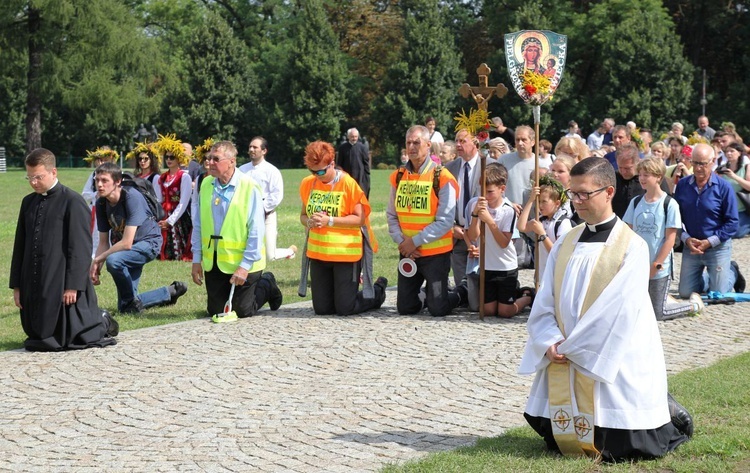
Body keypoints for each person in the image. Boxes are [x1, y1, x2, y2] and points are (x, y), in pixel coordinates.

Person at [519, 157, 692, 462]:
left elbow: (616, 313)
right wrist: (548, 340)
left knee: (622, 446)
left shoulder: (632, 247)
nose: (576, 202)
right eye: (573, 194)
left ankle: (667, 409)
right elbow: (546, 297)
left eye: (584, 194)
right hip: (562, 352)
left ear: (609, 192)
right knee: (559, 437)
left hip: (612, 358)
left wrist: (572, 347)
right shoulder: (565, 242)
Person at [10, 148, 117, 351]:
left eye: (38, 177)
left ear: (53, 172)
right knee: (39, 337)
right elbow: (19, 245)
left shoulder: (72, 201)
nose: (33, 182)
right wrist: (17, 285)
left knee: (74, 337)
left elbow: (80, 247)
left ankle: (102, 320)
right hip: (35, 279)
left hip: (62, 279)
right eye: (29, 177)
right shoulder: (28, 203)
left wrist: (73, 285)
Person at [190, 141, 283, 322]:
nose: (210, 163)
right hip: (217, 262)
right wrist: (196, 259)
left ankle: (267, 283)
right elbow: (199, 223)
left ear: (232, 161)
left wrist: (244, 267)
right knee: (216, 311)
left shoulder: (249, 187)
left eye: (216, 159)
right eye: (209, 158)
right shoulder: (206, 184)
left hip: (244, 263)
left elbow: (256, 230)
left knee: (242, 310)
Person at [298, 141, 387, 315]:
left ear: (332, 164)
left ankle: (378, 291)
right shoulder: (309, 184)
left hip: (346, 256)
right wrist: (309, 222)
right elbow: (303, 215)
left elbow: (360, 219)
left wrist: (329, 220)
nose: (317, 175)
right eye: (312, 171)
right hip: (318, 255)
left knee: (345, 308)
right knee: (322, 309)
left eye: (321, 171)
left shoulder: (348, 184)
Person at [386, 125, 464, 316]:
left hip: (436, 254)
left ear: (428, 145)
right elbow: (391, 215)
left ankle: (462, 292)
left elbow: (445, 221)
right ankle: (428, 295)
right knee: (406, 308)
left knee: (438, 309)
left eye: (416, 142)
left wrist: (415, 242)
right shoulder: (398, 176)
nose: (411, 147)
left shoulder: (442, 177)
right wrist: (403, 243)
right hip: (408, 252)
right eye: (408, 143)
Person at [91, 163, 188, 314]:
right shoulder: (101, 203)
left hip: (148, 243)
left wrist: (98, 259)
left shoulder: (131, 196)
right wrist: (96, 267)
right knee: (126, 307)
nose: (99, 185)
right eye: (97, 180)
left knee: (114, 261)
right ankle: (170, 292)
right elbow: (103, 242)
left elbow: (127, 243)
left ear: (117, 182)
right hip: (126, 250)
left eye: (104, 180)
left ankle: (134, 302)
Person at [624, 157, 703, 320]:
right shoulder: (636, 202)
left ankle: (693, 305)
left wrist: (656, 264)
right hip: (638, 265)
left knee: (658, 314)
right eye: (640, 174)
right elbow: (628, 232)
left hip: (659, 265)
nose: (642, 179)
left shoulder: (669, 204)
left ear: (658, 177)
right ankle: (664, 298)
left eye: (647, 175)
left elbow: (670, 239)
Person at [465, 163, 533, 317]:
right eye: (482, 191)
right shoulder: (475, 205)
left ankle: (527, 297)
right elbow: (473, 236)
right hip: (486, 265)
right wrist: (475, 216)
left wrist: (489, 221)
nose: (485, 196)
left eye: (489, 192)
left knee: (505, 312)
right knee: (488, 311)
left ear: (502, 189)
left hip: (505, 266)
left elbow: (503, 243)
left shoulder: (508, 210)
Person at [674, 143, 740, 297]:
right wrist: (686, 238)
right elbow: (675, 217)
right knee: (685, 293)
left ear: (712, 162)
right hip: (692, 246)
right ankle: (707, 277)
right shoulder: (683, 185)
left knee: (718, 293)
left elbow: (732, 223)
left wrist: (710, 241)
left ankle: (732, 272)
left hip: (717, 246)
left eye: (703, 164)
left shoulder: (724, 187)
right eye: (695, 163)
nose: (698, 168)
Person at [239, 137, 297, 261]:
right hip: (244, 215)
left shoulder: (272, 171)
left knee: (270, 256)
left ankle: (290, 251)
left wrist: (261, 209)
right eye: (250, 147)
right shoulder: (241, 170)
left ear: (264, 151)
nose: (251, 149)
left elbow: (276, 195)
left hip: (267, 215)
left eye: (255, 147)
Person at [447, 129, 482, 288]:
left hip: (481, 233)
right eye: (456, 141)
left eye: (463, 141)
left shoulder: (487, 165)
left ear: (475, 143)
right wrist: (451, 226)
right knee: (463, 287)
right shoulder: (448, 169)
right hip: (457, 234)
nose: (458, 145)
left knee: (480, 290)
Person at [517, 176, 572, 279]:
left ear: (557, 203)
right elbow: (521, 227)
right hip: (541, 274)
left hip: (556, 276)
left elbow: (559, 253)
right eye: (538, 202)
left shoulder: (563, 223)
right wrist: (530, 200)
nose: (540, 205)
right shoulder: (541, 220)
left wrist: (542, 235)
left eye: (544, 202)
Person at [154, 135, 193, 261]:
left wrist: (170, 220)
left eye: (172, 157)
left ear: (179, 159)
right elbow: (159, 199)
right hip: (164, 212)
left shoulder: (184, 177)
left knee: (177, 249)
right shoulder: (162, 177)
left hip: (179, 215)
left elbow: (183, 202)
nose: (169, 160)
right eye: (167, 157)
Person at [82, 147, 119, 258]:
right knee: (96, 232)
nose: (101, 162)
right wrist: (95, 195)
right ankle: (95, 252)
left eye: (104, 160)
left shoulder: (117, 173)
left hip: (112, 208)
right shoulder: (93, 175)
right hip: (96, 208)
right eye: (99, 160)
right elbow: (84, 193)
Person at [717, 142, 750, 238]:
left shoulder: (746, 166)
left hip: (742, 209)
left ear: (739, 153)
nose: (729, 153)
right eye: (727, 151)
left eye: (732, 151)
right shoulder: (722, 168)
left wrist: (734, 176)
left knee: (736, 233)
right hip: (726, 209)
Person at [337, 128, 371, 197]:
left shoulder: (362, 147)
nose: (354, 138)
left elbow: (366, 162)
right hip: (347, 175)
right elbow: (339, 163)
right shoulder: (342, 148)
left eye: (356, 136)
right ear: (348, 136)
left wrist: (366, 175)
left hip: (360, 176)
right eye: (352, 136)